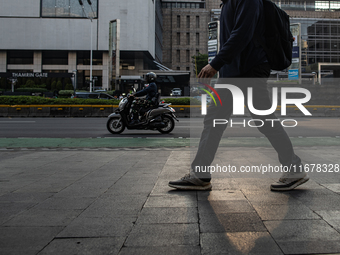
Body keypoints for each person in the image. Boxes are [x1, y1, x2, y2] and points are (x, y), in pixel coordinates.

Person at [168, 0, 309, 191]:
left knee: (263, 120)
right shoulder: (227, 3)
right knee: (215, 120)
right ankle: (200, 174)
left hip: (249, 69)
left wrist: (215, 64)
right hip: (234, 72)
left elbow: (243, 33)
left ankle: (294, 168)